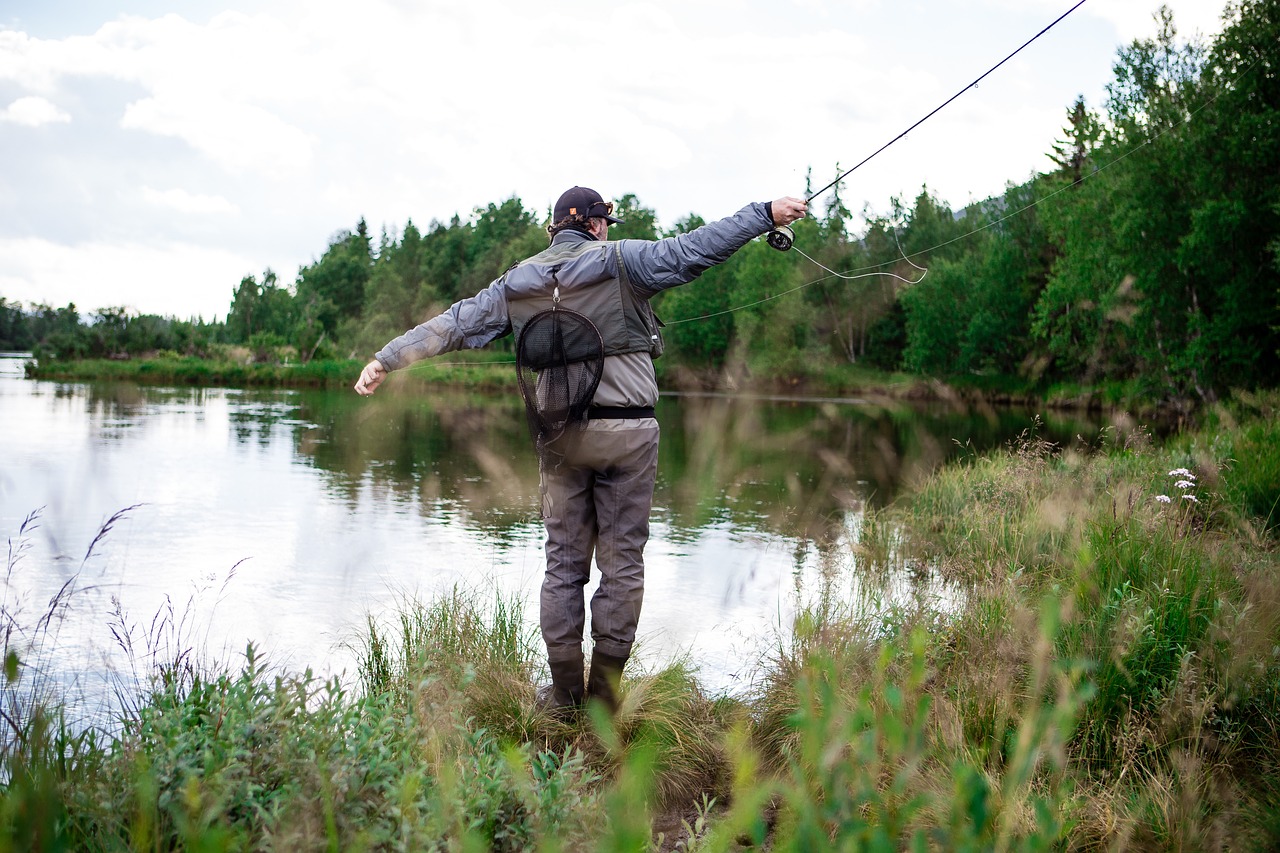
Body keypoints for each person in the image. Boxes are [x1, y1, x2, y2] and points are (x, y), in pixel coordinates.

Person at [354, 186, 807, 714]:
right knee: (622, 564)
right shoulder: (622, 260)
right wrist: (763, 215)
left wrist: (386, 359)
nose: (607, 230)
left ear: (555, 230)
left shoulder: (516, 282)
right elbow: (695, 249)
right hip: (629, 437)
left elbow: (454, 324)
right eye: (606, 223)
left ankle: (563, 695)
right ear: (595, 225)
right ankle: (605, 700)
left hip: (560, 439)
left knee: (564, 564)